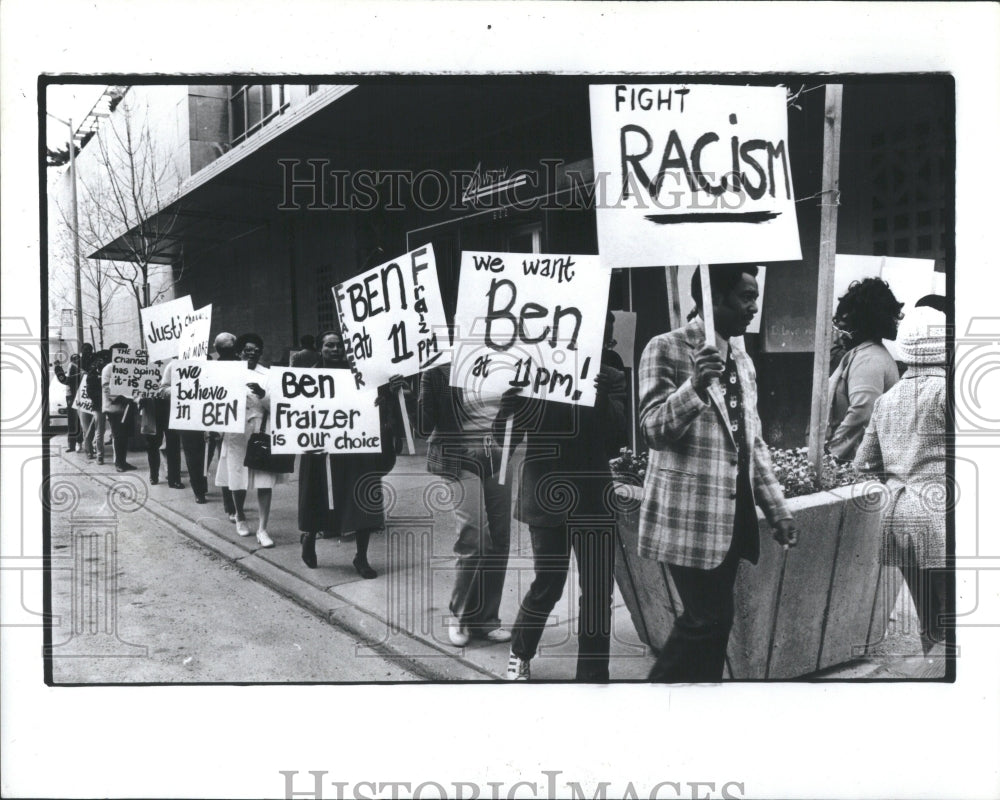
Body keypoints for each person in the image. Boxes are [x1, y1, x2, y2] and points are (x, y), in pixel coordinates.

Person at [638, 264, 798, 682]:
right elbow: (652, 430)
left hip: (733, 515)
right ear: (714, 298)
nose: (754, 307)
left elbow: (752, 441)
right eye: (746, 297)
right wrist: (692, 388)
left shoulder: (742, 358)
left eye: (755, 297)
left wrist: (777, 510)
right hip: (688, 516)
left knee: (715, 625)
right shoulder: (665, 348)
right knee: (706, 620)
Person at [499, 330, 628, 681]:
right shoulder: (534, 373)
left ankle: (592, 675)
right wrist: (508, 409)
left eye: (605, 333)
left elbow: (619, 435)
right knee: (549, 583)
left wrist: (600, 395)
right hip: (546, 496)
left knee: (598, 591)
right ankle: (520, 651)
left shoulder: (612, 376)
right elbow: (505, 438)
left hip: (592, 498)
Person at [855, 306, 948, 657]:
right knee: (954, 615)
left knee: (928, 616)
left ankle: (933, 668)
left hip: (899, 515)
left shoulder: (886, 401)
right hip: (942, 514)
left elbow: (864, 463)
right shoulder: (948, 393)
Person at [297, 331, 406, 578]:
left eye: (339, 346)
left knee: (363, 498)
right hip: (320, 447)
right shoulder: (307, 377)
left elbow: (380, 399)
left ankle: (361, 557)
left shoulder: (362, 375)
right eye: (329, 345)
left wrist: (391, 390)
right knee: (316, 496)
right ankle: (310, 537)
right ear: (320, 348)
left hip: (356, 445)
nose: (335, 350)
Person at [419, 362, 513, 646]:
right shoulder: (438, 370)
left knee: (500, 539)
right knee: (474, 537)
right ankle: (459, 615)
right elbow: (423, 426)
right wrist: (413, 393)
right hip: (460, 456)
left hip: (500, 453)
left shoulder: (509, 361)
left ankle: (486, 619)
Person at [214, 333, 287, 547]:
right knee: (237, 477)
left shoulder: (268, 375)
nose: (252, 355)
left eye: (256, 351)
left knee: (265, 480)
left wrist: (263, 394)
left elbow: (278, 404)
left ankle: (263, 528)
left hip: (261, 431)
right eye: (247, 351)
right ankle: (240, 515)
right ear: (239, 352)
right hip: (236, 433)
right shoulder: (227, 373)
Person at [826, 277, 903, 462]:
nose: (839, 330)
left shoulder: (869, 359)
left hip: (859, 463)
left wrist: (830, 455)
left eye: (843, 324)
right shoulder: (865, 353)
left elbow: (862, 413)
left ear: (862, 322)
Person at [157, 360, 209, 502]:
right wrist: (182, 389)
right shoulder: (174, 366)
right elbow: (162, 390)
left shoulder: (207, 361)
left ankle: (201, 482)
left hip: (208, 415)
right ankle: (199, 489)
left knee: (206, 453)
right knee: (192, 453)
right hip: (186, 416)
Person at [205, 332, 239, 520]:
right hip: (228, 422)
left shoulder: (211, 368)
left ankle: (233, 506)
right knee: (231, 464)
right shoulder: (242, 365)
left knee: (227, 463)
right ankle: (232, 506)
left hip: (224, 421)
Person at [138, 363, 180, 486]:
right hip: (151, 407)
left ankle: (174, 479)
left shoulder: (173, 363)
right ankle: (154, 475)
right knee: (152, 445)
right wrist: (139, 399)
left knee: (173, 443)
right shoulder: (144, 362)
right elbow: (135, 386)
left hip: (170, 407)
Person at [101, 344, 137, 472]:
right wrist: (122, 398)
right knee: (118, 436)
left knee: (125, 436)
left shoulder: (127, 367)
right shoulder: (108, 368)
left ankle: (123, 461)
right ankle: (119, 463)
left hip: (127, 407)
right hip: (114, 409)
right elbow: (106, 388)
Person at [83, 350, 110, 463]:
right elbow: (91, 393)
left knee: (101, 430)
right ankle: (99, 455)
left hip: (105, 403)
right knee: (100, 430)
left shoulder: (103, 372)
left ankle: (98, 452)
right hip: (99, 405)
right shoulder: (92, 375)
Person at [54, 353, 82, 451]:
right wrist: (58, 369)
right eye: (74, 359)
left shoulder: (78, 372)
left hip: (76, 396)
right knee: (74, 421)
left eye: (77, 359)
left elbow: (66, 380)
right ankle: (74, 444)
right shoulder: (77, 372)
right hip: (71, 397)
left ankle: (76, 443)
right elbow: (66, 380)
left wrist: (58, 368)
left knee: (76, 421)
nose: (75, 361)